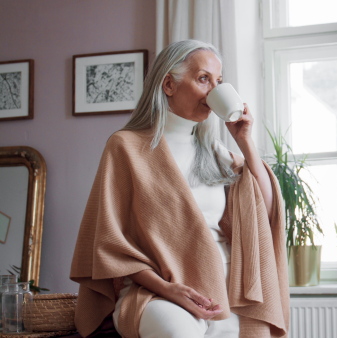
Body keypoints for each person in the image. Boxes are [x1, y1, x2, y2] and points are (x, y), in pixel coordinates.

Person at [70, 40, 289, 338]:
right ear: (169, 85)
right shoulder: (126, 147)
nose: (214, 91)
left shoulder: (215, 152)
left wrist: (245, 141)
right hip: (158, 292)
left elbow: (266, 210)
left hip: (229, 291)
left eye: (219, 82)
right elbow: (109, 245)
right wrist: (168, 289)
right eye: (203, 79)